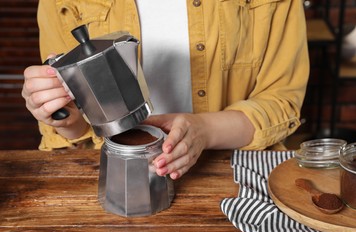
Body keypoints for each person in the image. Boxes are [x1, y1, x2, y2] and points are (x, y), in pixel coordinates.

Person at [22, 0, 309, 180]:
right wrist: (57, 111)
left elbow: (282, 100)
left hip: (235, 172)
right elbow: (74, 129)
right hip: (108, 169)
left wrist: (203, 130)